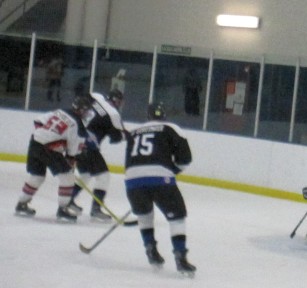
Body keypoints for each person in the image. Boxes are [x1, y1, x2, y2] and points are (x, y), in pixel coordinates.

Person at [124, 102, 196, 276]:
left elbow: (130, 161)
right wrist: (172, 172)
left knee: (144, 215)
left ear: (148, 116)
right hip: (160, 178)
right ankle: (180, 257)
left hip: (132, 181)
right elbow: (185, 159)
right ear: (164, 115)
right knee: (177, 217)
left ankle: (150, 249)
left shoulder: (134, 132)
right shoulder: (171, 128)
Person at [15, 96, 92, 222]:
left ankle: (21, 204)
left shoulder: (60, 111)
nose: (88, 113)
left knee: (37, 176)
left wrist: (48, 135)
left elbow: (38, 121)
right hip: (49, 148)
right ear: (80, 110)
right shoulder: (77, 124)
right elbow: (73, 149)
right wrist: (70, 158)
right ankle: (63, 209)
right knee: (67, 177)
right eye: (86, 110)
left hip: (35, 142)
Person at [68, 89, 126, 221]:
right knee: (103, 176)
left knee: (85, 175)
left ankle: (68, 200)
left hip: (76, 142)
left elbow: (82, 98)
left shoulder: (97, 97)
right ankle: (96, 209)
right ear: (117, 101)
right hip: (89, 147)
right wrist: (126, 136)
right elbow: (115, 138)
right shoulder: (113, 114)